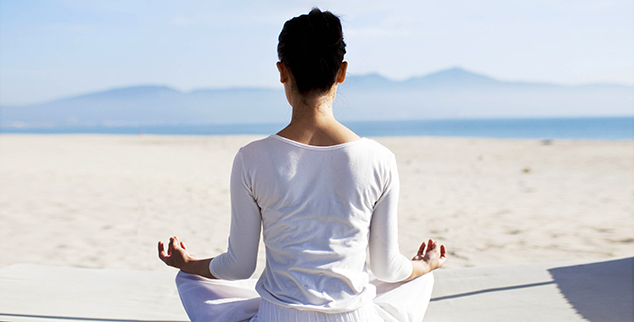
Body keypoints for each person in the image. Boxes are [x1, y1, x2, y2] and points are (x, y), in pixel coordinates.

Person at [158, 8, 447, 322]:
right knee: (415, 279)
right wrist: (426, 265)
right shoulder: (379, 159)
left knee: (192, 280)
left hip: (277, 316)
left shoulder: (252, 157)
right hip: (354, 317)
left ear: (282, 71)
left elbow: (238, 267)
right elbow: (387, 268)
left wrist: (187, 263)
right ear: (342, 72)